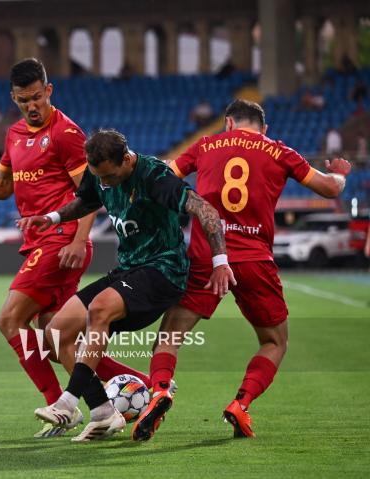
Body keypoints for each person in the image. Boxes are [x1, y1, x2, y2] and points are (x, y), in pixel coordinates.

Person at [0, 59, 150, 438]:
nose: (32, 106)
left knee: (10, 319)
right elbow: (2, 188)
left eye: (37, 97)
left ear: (49, 91)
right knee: (58, 340)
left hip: (61, 240)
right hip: (39, 242)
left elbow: (92, 192)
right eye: (24, 100)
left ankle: (61, 404)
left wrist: (79, 239)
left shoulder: (66, 133)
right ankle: (143, 390)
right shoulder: (13, 135)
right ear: (14, 98)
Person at [146, 99, 352, 439]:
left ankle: (160, 390)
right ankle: (241, 403)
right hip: (255, 260)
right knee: (275, 341)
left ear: (228, 123)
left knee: (169, 336)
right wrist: (341, 174)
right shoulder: (280, 151)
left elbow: (166, 176)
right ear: (263, 128)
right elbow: (329, 188)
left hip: (207, 257)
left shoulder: (205, 145)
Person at [20, 129, 234, 442]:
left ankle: (67, 402)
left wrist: (220, 261)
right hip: (128, 269)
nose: (105, 183)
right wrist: (53, 218)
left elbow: (206, 210)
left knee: (99, 308)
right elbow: (86, 202)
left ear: (126, 160)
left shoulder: (154, 176)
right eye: (99, 177)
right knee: (56, 331)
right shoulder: (99, 173)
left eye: (109, 176)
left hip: (163, 270)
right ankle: (103, 413)